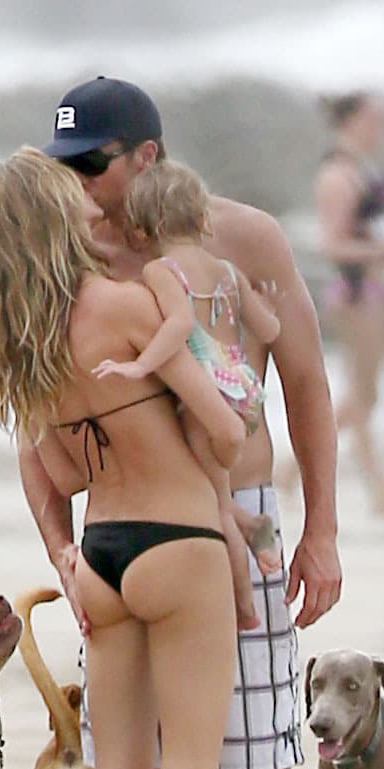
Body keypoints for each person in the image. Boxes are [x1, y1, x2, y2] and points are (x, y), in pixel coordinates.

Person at [19, 76, 346, 769]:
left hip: (242, 521)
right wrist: (58, 547)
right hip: (128, 531)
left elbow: (305, 383)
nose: (81, 185)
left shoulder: (243, 239)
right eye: (66, 167)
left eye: (94, 164)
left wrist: (321, 530)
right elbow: (30, 424)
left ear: (147, 157)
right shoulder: (67, 253)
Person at [0, 147, 247, 769]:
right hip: (179, 543)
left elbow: (60, 472)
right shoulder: (125, 306)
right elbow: (225, 434)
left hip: (102, 556)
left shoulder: (20, 351)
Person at [93, 158, 283, 631]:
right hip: (244, 390)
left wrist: (140, 364)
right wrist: (264, 299)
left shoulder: (162, 270)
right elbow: (269, 329)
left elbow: (179, 325)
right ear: (203, 219)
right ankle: (252, 524)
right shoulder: (227, 271)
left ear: (140, 230)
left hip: (207, 400)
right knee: (215, 487)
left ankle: (245, 607)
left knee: (214, 501)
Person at [314, 91, 384, 517]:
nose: (382, 128)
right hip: (358, 292)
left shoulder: (365, 171)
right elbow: (333, 245)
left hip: (382, 293)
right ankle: (379, 493)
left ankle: (293, 472)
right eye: (374, 119)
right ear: (352, 121)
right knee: (362, 396)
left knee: (365, 395)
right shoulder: (338, 176)